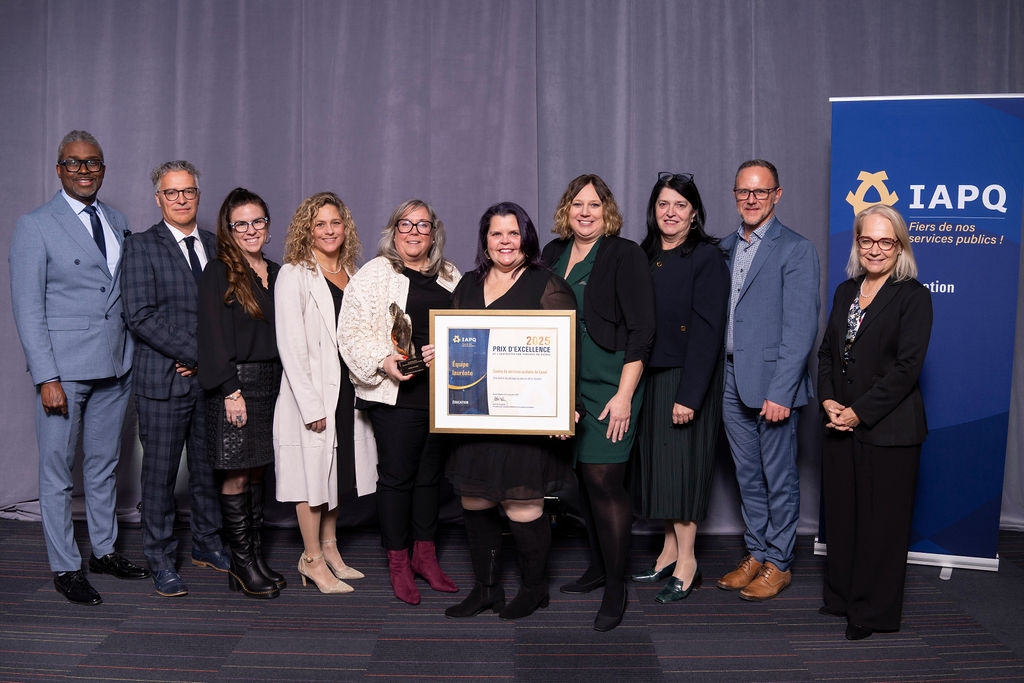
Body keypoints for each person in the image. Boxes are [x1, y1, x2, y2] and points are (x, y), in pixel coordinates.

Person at [9, 130, 149, 605]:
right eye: (74, 162)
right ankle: (66, 566)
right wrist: (46, 377)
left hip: (116, 363)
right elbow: (28, 309)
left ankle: (104, 551)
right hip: (64, 370)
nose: (84, 170)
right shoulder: (35, 225)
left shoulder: (117, 219)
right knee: (57, 472)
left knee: (104, 465)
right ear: (59, 169)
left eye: (92, 163)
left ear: (103, 169)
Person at [444, 202, 577, 620]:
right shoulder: (467, 284)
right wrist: (437, 353)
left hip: (524, 418)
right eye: (496, 233)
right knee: (475, 500)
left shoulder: (547, 285)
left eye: (513, 233)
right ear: (485, 240)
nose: (505, 242)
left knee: (523, 505)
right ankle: (486, 590)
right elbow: (457, 343)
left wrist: (566, 408)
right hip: (475, 415)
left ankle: (535, 590)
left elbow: (569, 351)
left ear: (526, 238)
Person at [541, 174, 655, 632]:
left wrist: (624, 395)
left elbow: (643, 329)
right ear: (566, 210)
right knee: (578, 481)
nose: (585, 212)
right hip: (564, 381)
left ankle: (616, 587)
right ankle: (599, 567)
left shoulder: (625, 254)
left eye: (594, 204)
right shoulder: (552, 253)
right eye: (577, 204)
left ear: (607, 210)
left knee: (603, 478)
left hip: (611, 381)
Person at [339, 199, 461, 605]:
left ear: (433, 232)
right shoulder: (375, 274)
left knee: (430, 479)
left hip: (440, 396)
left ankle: (425, 557)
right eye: (405, 224)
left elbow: (467, 330)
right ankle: (398, 563)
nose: (413, 232)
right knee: (397, 478)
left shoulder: (450, 275)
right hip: (396, 396)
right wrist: (383, 360)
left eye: (422, 225)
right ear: (394, 231)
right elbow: (350, 332)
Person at [818, 204, 931, 640]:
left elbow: (906, 369)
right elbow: (827, 353)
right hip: (839, 424)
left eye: (886, 241)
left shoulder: (913, 296)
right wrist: (828, 400)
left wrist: (858, 412)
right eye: (867, 239)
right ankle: (841, 598)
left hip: (889, 430)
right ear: (857, 242)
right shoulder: (846, 291)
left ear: (900, 246)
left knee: (881, 526)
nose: (875, 249)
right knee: (843, 518)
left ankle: (872, 612)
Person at [121, 160, 230, 597]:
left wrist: (210, 362)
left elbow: (230, 310)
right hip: (163, 381)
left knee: (207, 470)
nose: (181, 199)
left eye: (188, 191)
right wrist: (199, 354)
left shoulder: (216, 245)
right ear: (158, 198)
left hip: (208, 381)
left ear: (198, 196)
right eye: (172, 192)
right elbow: (140, 316)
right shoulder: (140, 246)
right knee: (160, 475)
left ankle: (207, 543)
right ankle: (161, 558)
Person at [717, 159, 820, 601]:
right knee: (747, 475)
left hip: (774, 384)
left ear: (777, 194)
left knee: (779, 477)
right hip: (729, 378)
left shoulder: (795, 249)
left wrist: (782, 391)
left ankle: (780, 562)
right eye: (744, 191)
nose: (752, 199)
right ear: (735, 195)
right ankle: (757, 553)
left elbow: (801, 328)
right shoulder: (724, 248)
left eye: (761, 191)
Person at [630, 173, 729, 603]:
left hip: (686, 378)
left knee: (684, 472)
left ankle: (688, 562)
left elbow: (708, 332)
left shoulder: (706, 258)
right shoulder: (645, 254)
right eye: (663, 204)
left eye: (680, 205)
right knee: (662, 472)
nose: (670, 212)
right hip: (650, 376)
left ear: (694, 213)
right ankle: (668, 551)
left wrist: (690, 395)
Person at [274, 191, 373, 595]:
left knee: (336, 472)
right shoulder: (294, 274)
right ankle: (311, 558)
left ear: (345, 227)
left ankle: (330, 548)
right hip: (312, 393)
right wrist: (310, 404)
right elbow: (290, 344)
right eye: (320, 224)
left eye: (335, 223)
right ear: (307, 230)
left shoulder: (353, 273)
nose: (329, 231)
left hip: (347, 390)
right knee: (311, 475)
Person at [197, 188, 284, 599]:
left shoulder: (279, 273)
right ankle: (241, 563)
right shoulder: (219, 271)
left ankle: (255, 559)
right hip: (235, 386)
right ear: (228, 230)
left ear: (268, 226)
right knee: (236, 473)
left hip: (272, 383)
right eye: (241, 224)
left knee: (258, 470)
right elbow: (211, 336)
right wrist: (231, 391)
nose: (251, 230)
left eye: (258, 221)